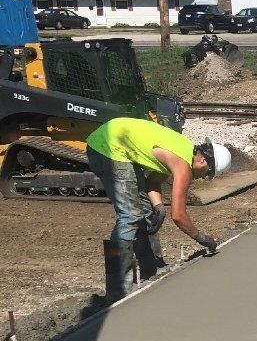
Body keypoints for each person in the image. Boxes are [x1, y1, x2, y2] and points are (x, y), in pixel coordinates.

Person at [85, 117, 232, 301]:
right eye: (208, 175)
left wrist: (158, 206)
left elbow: (152, 180)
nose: (203, 178)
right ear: (203, 162)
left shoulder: (183, 148)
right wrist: (200, 237)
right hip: (108, 147)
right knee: (130, 216)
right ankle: (117, 289)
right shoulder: (183, 166)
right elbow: (178, 215)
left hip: (117, 140)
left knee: (146, 212)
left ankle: (151, 270)